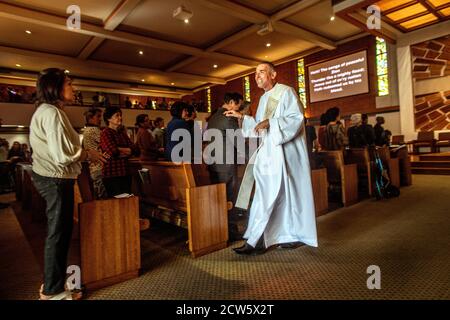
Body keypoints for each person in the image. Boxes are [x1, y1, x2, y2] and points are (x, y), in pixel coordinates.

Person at [224, 62, 318, 255]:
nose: (257, 76)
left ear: (273, 74)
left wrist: (272, 123)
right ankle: (258, 238)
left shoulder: (286, 92)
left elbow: (297, 119)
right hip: (269, 154)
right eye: (255, 73)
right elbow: (259, 128)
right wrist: (242, 117)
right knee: (266, 195)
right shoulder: (264, 98)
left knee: (286, 196)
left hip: (286, 155)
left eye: (262, 72)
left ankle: (287, 236)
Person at [30, 68, 106, 300]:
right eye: (69, 83)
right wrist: (88, 154)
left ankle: (53, 285)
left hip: (53, 177)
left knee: (60, 232)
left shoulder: (49, 111)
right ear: (55, 87)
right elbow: (61, 154)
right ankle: (53, 292)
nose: (74, 88)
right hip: (54, 179)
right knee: (59, 233)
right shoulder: (51, 113)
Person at [206, 92, 243, 202]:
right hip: (226, 163)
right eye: (238, 105)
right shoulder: (229, 117)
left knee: (217, 195)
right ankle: (230, 218)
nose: (238, 108)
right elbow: (238, 140)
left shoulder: (213, 117)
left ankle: (219, 218)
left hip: (213, 162)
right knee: (228, 195)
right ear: (231, 102)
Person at [100, 107, 140, 197]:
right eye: (117, 116)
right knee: (116, 205)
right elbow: (113, 152)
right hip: (112, 175)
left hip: (125, 173)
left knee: (127, 202)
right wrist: (127, 151)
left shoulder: (122, 133)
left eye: (120, 115)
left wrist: (121, 149)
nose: (120, 118)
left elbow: (135, 149)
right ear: (108, 119)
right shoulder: (105, 133)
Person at [82, 108, 107, 199]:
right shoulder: (93, 130)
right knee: (103, 198)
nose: (101, 119)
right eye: (98, 116)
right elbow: (106, 143)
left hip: (93, 168)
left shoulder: (87, 130)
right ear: (90, 118)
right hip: (98, 167)